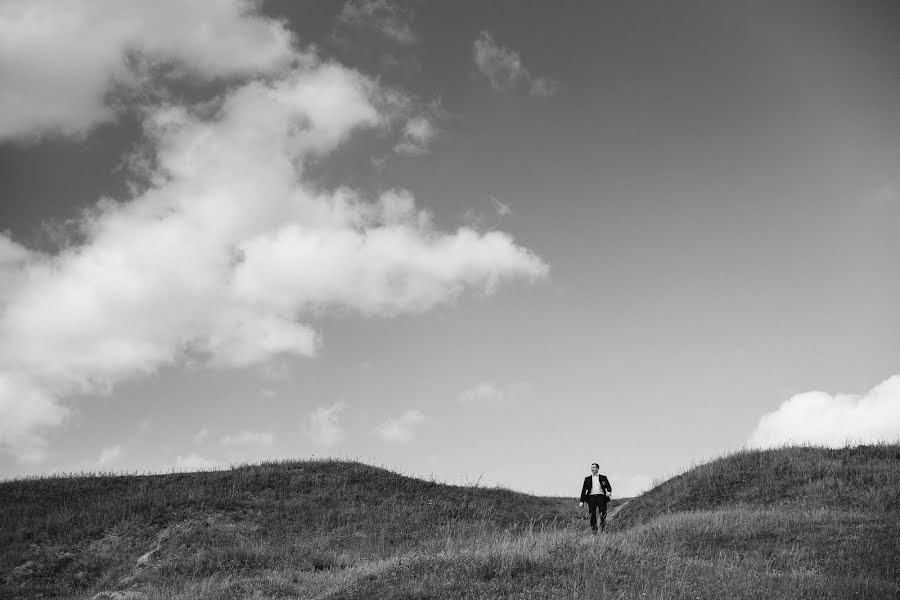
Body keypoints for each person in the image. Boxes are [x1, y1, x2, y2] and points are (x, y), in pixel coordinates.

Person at [579, 463, 612, 532]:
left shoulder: (603, 477)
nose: (592, 469)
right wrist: (581, 501)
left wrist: (608, 491)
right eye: (591, 468)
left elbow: (608, 487)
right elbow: (583, 490)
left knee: (603, 513)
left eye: (593, 467)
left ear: (597, 468)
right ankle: (594, 531)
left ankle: (602, 529)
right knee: (592, 515)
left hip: (601, 497)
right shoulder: (587, 479)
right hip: (591, 498)